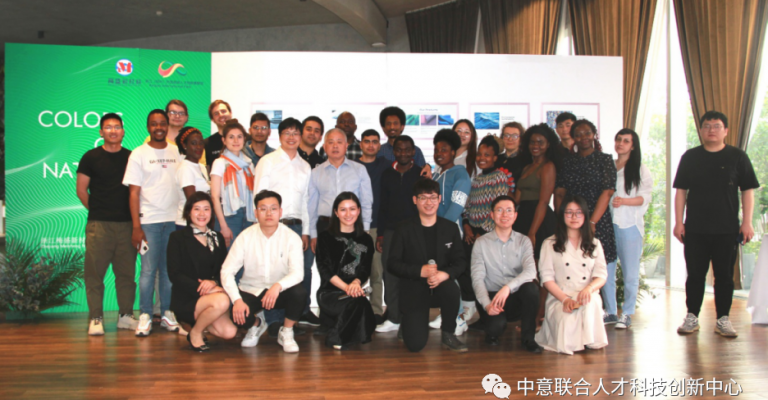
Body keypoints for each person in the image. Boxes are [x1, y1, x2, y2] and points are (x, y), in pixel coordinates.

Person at [673, 111, 758, 338]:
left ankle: (723, 319)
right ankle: (692, 316)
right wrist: (679, 222)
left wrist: (747, 222)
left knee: (724, 276)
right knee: (695, 275)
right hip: (695, 228)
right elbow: (681, 191)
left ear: (726, 131)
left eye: (717, 126)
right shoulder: (690, 157)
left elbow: (747, 190)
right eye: (707, 126)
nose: (712, 130)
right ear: (701, 130)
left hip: (727, 229)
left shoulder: (737, 156)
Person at [76, 113, 139, 335]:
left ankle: (125, 316)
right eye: (108, 127)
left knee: (126, 275)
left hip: (127, 225)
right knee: (94, 275)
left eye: (117, 127)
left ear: (123, 131)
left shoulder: (132, 157)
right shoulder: (90, 157)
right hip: (99, 225)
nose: (113, 130)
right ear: (101, 132)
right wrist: (98, 211)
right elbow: (81, 190)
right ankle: (96, 318)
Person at [388, 178, 468, 352]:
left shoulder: (450, 228)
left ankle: (448, 333)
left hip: (440, 284)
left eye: (432, 198)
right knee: (415, 345)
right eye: (423, 198)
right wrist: (419, 271)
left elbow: (461, 261)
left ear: (439, 199)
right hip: (414, 286)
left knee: (452, 290)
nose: (428, 202)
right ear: (414, 200)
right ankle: (407, 323)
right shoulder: (403, 228)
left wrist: (445, 274)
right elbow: (392, 264)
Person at [221, 190, 307, 352]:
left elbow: (297, 273)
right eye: (263, 209)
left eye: (273, 209)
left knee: (299, 293)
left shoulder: (291, 237)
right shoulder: (245, 237)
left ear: (280, 212)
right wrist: (237, 300)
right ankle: (257, 324)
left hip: (280, 292)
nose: (269, 213)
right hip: (252, 289)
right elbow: (226, 271)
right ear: (256, 213)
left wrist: (277, 286)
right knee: (237, 312)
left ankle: (286, 331)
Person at [122, 109, 181, 336]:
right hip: (148, 222)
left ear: (167, 126)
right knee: (148, 271)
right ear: (148, 127)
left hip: (172, 221)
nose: (158, 127)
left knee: (168, 271)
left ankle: (166, 313)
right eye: (154, 124)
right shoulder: (138, 154)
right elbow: (133, 193)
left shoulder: (176, 151)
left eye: (162, 123)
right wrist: (136, 227)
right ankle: (145, 315)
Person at [554, 119, 618, 325]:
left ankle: (608, 312)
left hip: (597, 220)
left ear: (594, 134)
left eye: (587, 133)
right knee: (574, 262)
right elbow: (560, 191)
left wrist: (592, 222)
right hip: (572, 219)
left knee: (600, 264)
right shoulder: (568, 162)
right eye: (578, 134)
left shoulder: (605, 160)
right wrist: (561, 218)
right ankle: (576, 308)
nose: (583, 137)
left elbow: (607, 192)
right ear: (573, 137)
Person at [252, 117, 313, 334]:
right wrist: (263, 226)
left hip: (297, 226)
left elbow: (306, 201)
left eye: (295, 133)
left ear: (301, 137)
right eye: (287, 133)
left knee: (299, 271)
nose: (291, 137)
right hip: (273, 225)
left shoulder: (305, 166)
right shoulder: (267, 161)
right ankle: (274, 320)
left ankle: (296, 317)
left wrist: (306, 232)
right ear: (279, 136)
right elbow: (259, 195)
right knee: (274, 272)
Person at [308, 128, 373, 324]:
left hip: (353, 227)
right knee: (327, 270)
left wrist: (365, 231)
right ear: (324, 146)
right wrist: (313, 234)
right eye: (331, 142)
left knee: (351, 269)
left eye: (339, 142)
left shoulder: (359, 169)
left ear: (347, 145)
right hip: (325, 227)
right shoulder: (316, 172)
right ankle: (327, 316)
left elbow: (366, 202)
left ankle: (349, 306)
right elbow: (311, 205)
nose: (335, 146)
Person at [535, 195, 608, 355]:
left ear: (585, 216)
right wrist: (565, 299)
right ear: (562, 215)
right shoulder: (549, 243)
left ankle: (590, 340)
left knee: (589, 304)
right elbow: (546, 279)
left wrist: (589, 289)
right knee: (567, 322)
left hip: (587, 293)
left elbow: (601, 275)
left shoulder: (595, 243)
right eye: (569, 212)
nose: (574, 217)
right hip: (560, 296)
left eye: (578, 212)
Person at [471, 195, 541, 352]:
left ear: (515, 215)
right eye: (499, 210)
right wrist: (487, 305)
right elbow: (477, 278)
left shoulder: (524, 241)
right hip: (492, 297)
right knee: (495, 328)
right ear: (492, 215)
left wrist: (507, 288)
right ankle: (490, 329)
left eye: (509, 210)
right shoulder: (481, 243)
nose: (504, 215)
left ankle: (528, 339)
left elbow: (531, 271)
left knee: (531, 289)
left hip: (514, 296)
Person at [167, 192, 235, 352]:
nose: (202, 213)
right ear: (188, 212)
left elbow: (223, 269)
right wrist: (204, 288)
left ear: (212, 212)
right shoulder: (177, 237)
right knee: (222, 301)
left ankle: (199, 323)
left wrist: (214, 283)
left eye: (206, 209)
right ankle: (196, 333)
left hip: (212, 296)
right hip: (187, 297)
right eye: (197, 209)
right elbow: (174, 274)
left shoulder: (217, 237)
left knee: (229, 332)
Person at [462, 136, 514, 325]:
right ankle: (477, 313)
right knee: (471, 274)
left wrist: (482, 233)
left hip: (488, 234)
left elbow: (499, 209)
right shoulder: (476, 179)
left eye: (487, 155)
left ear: (495, 158)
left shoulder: (499, 177)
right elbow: (468, 206)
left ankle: (491, 318)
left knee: (487, 277)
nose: (482, 158)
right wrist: (467, 226)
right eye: (479, 154)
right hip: (472, 234)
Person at [374, 135, 423, 333]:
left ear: (413, 152)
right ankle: (394, 318)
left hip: (414, 232)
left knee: (412, 275)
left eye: (407, 149)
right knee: (390, 274)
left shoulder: (421, 174)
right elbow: (382, 205)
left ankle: (410, 317)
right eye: (399, 149)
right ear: (393, 151)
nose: (403, 153)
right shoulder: (387, 174)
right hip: (391, 231)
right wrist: (380, 234)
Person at [316, 192, 376, 349]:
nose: (348, 214)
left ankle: (338, 331)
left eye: (352, 209)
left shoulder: (366, 239)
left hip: (354, 294)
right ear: (336, 212)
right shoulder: (324, 237)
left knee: (364, 310)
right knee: (360, 306)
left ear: (359, 211)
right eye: (343, 209)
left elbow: (365, 269)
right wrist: (347, 287)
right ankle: (335, 338)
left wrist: (356, 283)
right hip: (330, 294)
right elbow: (325, 270)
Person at [609, 128, 652, 330]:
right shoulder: (609, 165)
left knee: (630, 273)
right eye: (619, 139)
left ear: (633, 146)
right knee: (606, 271)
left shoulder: (640, 169)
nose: (621, 143)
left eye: (626, 141)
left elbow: (645, 197)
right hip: (608, 224)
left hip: (629, 225)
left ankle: (626, 313)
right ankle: (610, 311)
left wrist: (624, 201)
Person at [429, 129, 472, 330]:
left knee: (448, 272)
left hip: (449, 231)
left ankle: (459, 317)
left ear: (453, 152)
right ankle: (450, 312)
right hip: (436, 230)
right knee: (440, 271)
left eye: (444, 149)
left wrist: (441, 230)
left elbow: (457, 205)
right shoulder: (436, 174)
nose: (439, 153)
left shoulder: (460, 173)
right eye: (437, 150)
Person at [355, 129, 390, 320]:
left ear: (379, 145)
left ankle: (376, 310)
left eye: (375, 141)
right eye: (367, 141)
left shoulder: (386, 165)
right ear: (360, 144)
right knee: (353, 270)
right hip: (354, 226)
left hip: (376, 224)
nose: (370, 145)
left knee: (376, 271)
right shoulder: (352, 166)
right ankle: (354, 308)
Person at [513, 123, 559, 259]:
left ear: (548, 144)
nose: (535, 145)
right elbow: (517, 200)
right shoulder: (527, 167)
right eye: (532, 142)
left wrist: (532, 232)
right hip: (523, 215)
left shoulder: (548, 166)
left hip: (539, 220)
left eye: (540, 142)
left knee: (539, 262)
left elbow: (543, 202)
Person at [210, 119, 255, 248]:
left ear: (244, 139)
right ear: (224, 140)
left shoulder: (249, 163)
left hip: (248, 215)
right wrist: (223, 226)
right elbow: (214, 197)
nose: (236, 141)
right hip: (229, 216)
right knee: (231, 256)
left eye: (239, 137)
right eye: (231, 137)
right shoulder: (219, 163)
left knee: (247, 256)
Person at [174, 127, 211, 230]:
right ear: (184, 145)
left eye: (201, 143)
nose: (198, 147)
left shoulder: (201, 167)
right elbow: (192, 200)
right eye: (193, 143)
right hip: (188, 223)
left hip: (200, 221)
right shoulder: (185, 168)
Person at [204, 99, 232, 165]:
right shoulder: (206, 144)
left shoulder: (246, 139)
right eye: (216, 113)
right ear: (212, 119)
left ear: (230, 113)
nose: (221, 115)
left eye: (223, 111)